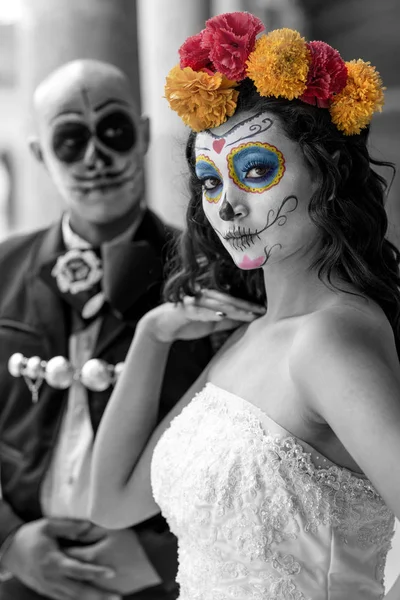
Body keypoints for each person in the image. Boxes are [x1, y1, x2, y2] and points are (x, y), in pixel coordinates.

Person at [90, 13, 400, 600]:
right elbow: (110, 503)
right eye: (209, 181)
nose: (226, 206)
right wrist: (152, 337)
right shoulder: (250, 339)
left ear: (327, 174)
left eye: (256, 171)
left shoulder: (329, 341)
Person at [0, 58, 263, 600]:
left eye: (113, 131)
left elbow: (254, 442)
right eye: (71, 140)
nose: (96, 158)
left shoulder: (217, 275)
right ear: (38, 155)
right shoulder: (3, 270)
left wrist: (160, 557)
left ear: (142, 135)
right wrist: (8, 541)